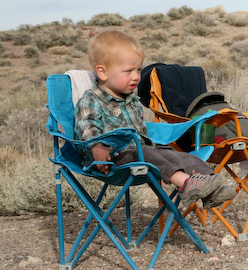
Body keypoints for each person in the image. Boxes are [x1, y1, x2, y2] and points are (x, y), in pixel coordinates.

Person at [74, 29, 235, 209]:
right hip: (113, 160)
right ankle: (187, 184)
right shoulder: (92, 100)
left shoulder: (131, 100)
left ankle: (211, 187)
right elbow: (85, 126)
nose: (136, 76)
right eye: (128, 71)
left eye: (138, 70)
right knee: (148, 153)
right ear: (102, 72)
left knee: (179, 155)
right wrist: (96, 147)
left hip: (141, 153)